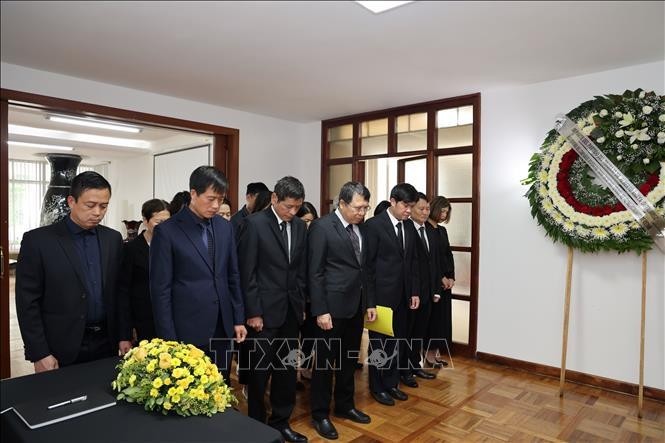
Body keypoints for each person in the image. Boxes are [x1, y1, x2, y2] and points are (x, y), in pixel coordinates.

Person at [16, 171, 132, 372]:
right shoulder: (38, 241)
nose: (97, 212)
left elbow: (120, 292)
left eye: (103, 206)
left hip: (107, 342)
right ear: (71, 201)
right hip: (60, 345)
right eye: (90, 205)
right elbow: (27, 303)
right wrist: (39, 352)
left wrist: (124, 335)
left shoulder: (112, 239)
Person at [150, 166, 247, 381]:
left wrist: (238, 318)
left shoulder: (224, 227)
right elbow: (160, 290)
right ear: (193, 193)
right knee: (190, 390)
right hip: (187, 329)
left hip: (223, 325)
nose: (215, 206)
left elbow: (232, 274)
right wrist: (168, 339)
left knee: (220, 384)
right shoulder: (168, 231)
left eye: (220, 199)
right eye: (210, 198)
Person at [238, 176, 308, 443]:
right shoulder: (254, 225)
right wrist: (253, 312)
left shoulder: (300, 226)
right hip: (263, 315)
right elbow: (248, 272)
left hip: (290, 311)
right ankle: (257, 425)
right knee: (258, 373)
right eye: (288, 206)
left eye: (297, 208)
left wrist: (299, 305)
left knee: (286, 370)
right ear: (275, 199)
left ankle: (281, 422)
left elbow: (299, 270)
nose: (292, 212)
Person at [308, 182, 376, 440]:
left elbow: (365, 270)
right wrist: (320, 310)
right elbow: (315, 272)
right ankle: (320, 414)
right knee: (324, 365)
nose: (362, 213)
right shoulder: (322, 227)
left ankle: (345, 405)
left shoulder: (362, 229)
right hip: (331, 310)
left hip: (355, 307)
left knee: (348, 362)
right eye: (358, 208)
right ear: (343, 204)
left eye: (366, 208)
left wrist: (369, 302)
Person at [364, 183, 420, 406]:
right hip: (381, 300)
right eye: (406, 206)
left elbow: (413, 262)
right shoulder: (374, 226)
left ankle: (391, 383)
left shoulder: (408, 227)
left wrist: (414, 291)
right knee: (380, 345)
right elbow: (367, 267)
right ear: (393, 201)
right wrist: (369, 302)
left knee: (398, 343)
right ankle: (377, 387)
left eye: (412, 206)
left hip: (403, 298)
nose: (409, 211)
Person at [117, 199, 170, 342]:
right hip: (143, 320)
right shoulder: (131, 249)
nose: (164, 227)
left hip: (170, 318)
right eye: (159, 222)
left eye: (167, 222)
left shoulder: (173, 246)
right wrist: (126, 331)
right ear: (145, 221)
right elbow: (124, 291)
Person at [402, 193, 437, 381]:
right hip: (411, 293)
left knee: (419, 333)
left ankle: (415, 365)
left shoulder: (430, 231)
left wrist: (435, 290)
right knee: (407, 333)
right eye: (421, 209)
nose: (425, 212)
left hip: (427, 292)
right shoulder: (406, 229)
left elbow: (434, 263)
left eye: (427, 209)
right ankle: (404, 369)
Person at [425, 196, 454, 367]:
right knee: (433, 321)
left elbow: (448, 256)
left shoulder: (442, 231)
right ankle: (428, 354)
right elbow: (429, 260)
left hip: (445, 283)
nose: (444, 215)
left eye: (446, 212)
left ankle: (436, 353)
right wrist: (439, 278)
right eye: (442, 211)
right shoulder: (425, 229)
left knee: (443, 320)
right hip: (433, 283)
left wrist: (451, 277)